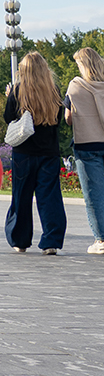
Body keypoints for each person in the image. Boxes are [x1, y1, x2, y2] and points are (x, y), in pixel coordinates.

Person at [4, 53, 67, 255]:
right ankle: (51, 240)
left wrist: (10, 98)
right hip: (49, 151)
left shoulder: (18, 91)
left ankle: (20, 240)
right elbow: (57, 118)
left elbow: (8, 118)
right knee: (50, 197)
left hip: (24, 152)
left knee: (21, 196)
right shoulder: (54, 91)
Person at [66, 47, 104, 254]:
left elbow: (68, 118)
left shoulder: (75, 86)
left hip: (88, 145)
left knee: (95, 196)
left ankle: (101, 241)